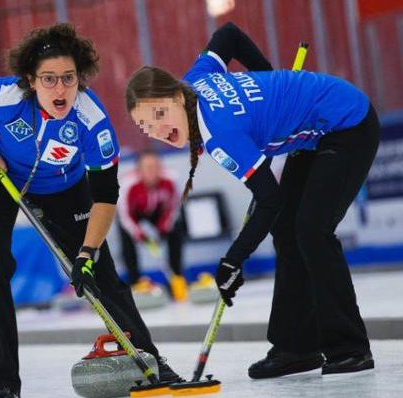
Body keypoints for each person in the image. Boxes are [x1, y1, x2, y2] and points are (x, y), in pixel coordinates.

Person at [0, 23, 181, 398]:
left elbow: (105, 195)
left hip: (62, 186)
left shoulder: (92, 120)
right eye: (48, 79)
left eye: (68, 78)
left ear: (79, 79)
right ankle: (4, 386)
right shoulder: (6, 95)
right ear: (31, 81)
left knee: (99, 270)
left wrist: (86, 253)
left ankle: (148, 359)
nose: (59, 88)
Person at [124, 22, 378, 379]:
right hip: (313, 134)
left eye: (160, 115)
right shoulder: (196, 78)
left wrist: (233, 260)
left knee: (312, 231)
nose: (159, 130)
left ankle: (350, 347)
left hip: (347, 124)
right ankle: (296, 347)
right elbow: (227, 35)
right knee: (288, 233)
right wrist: (272, 83)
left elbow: (268, 199)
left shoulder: (220, 133)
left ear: (177, 97)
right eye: (146, 127)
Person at [117, 150, 187, 301]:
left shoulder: (171, 179)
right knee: (126, 238)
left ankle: (176, 278)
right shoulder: (127, 185)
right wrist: (139, 234)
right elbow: (125, 215)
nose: (152, 171)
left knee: (176, 230)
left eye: (156, 166)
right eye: (148, 167)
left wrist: (163, 228)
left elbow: (174, 207)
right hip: (135, 214)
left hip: (158, 212)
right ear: (139, 170)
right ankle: (135, 284)